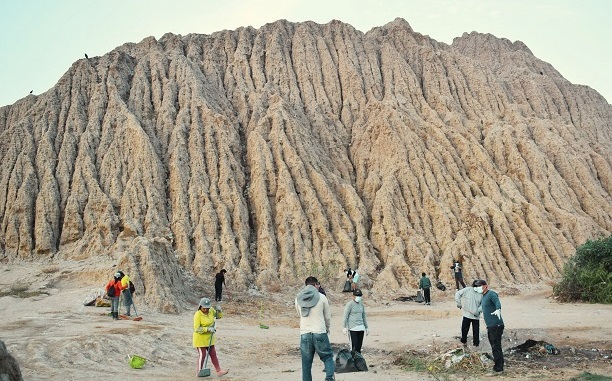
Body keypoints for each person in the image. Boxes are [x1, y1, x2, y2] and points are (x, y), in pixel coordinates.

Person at [295, 276, 335, 381]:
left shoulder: (298, 298)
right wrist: (327, 328)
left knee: (306, 363)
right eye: (318, 284)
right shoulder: (322, 297)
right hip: (319, 332)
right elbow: (327, 316)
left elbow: (300, 314)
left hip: (305, 333)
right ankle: (329, 378)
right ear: (315, 285)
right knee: (328, 357)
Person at [193, 297, 228, 377]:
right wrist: (208, 329)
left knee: (213, 354)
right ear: (200, 307)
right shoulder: (197, 315)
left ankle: (219, 371)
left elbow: (218, 316)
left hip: (210, 338)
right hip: (200, 339)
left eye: (207, 308)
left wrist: (219, 311)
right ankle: (199, 372)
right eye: (204, 308)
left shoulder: (211, 310)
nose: (206, 310)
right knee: (203, 355)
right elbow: (196, 328)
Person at [477, 280, 505, 375]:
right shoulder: (484, 297)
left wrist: (498, 309)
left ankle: (498, 369)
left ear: (485, 286)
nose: (477, 288)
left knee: (496, 347)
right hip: (490, 326)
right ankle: (499, 365)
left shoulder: (491, 294)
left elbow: (497, 302)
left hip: (496, 325)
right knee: (495, 346)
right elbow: (482, 308)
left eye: (479, 286)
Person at [455, 279, 485, 348]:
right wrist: (458, 302)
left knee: (476, 331)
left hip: (476, 316)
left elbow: (483, 303)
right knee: (464, 329)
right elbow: (457, 294)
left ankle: (476, 344)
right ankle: (463, 341)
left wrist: (479, 310)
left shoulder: (481, 293)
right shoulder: (467, 290)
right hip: (467, 315)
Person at [342, 289, 369, 354]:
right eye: (357, 296)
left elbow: (364, 316)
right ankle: (353, 362)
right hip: (353, 328)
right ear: (353, 296)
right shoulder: (349, 304)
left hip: (361, 328)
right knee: (354, 347)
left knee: (359, 348)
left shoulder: (361, 305)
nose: (358, 297)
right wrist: (344, 327)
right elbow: (345, 316)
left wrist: (366, 327)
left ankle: (358, 361)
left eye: (359, 296)